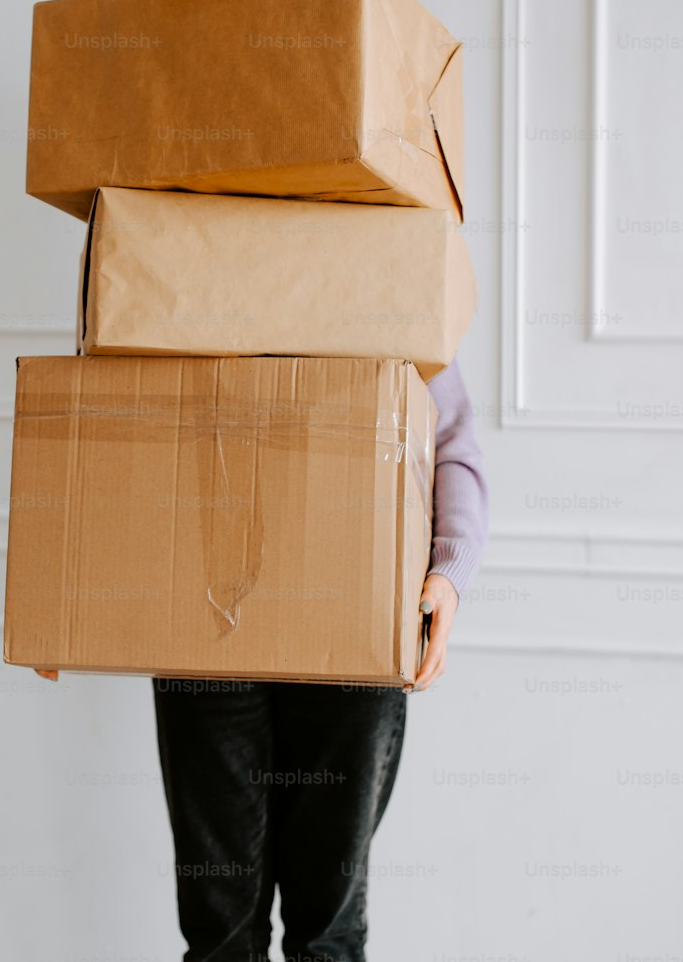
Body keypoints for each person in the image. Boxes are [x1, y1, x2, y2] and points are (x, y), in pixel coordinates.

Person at [148, 355, 490, 962]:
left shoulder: (389, 271)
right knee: (219, 928)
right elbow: (115, 414)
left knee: (326, 930)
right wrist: (66, 605)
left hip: (354, 621)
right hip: (204, 621)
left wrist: (450, 570)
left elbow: (450, 437)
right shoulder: (173, 268)